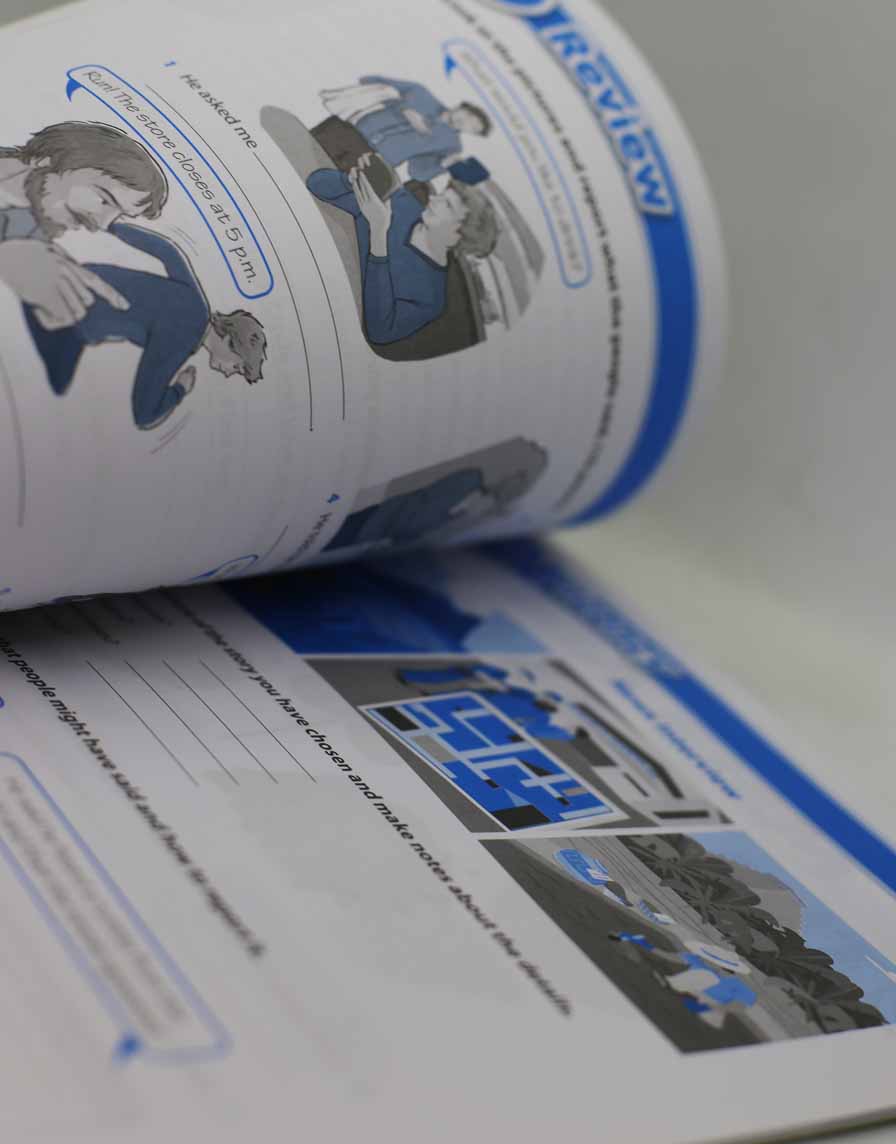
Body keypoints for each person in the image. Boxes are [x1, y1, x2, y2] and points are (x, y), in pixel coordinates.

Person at [25, 222, 267, 430]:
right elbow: (144, 414)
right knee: (55, 388)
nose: (230, 372)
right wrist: (180, 389)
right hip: (73, 317)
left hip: (83, 275)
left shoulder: (198, 305)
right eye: (238, 366)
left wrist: (112, 226)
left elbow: (167, 250)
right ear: (230, 341)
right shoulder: (183, 339)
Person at [307, 153, 498, 345]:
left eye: (447, 205)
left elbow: (379, 331)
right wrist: (350, 181)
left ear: (458, 236)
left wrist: (378, 234)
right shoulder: (404, 204)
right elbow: (315, 184)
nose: (434, 199)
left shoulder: (430, 299)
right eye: (442, 195)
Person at [0, 121, 168, 331]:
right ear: (44, 160)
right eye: (104, 200)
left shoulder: (30, 228)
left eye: (119, 216)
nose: (102, 224)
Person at [320, 76, 491, 184]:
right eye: (470, 116)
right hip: (347, 131)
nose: (466, 123)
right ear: (462, 106)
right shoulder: (420, 92)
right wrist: (401, 107)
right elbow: (368, 80)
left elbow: (417, 172)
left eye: (473, 128)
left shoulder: (451, 146)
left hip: (369, 163)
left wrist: (444, 164)